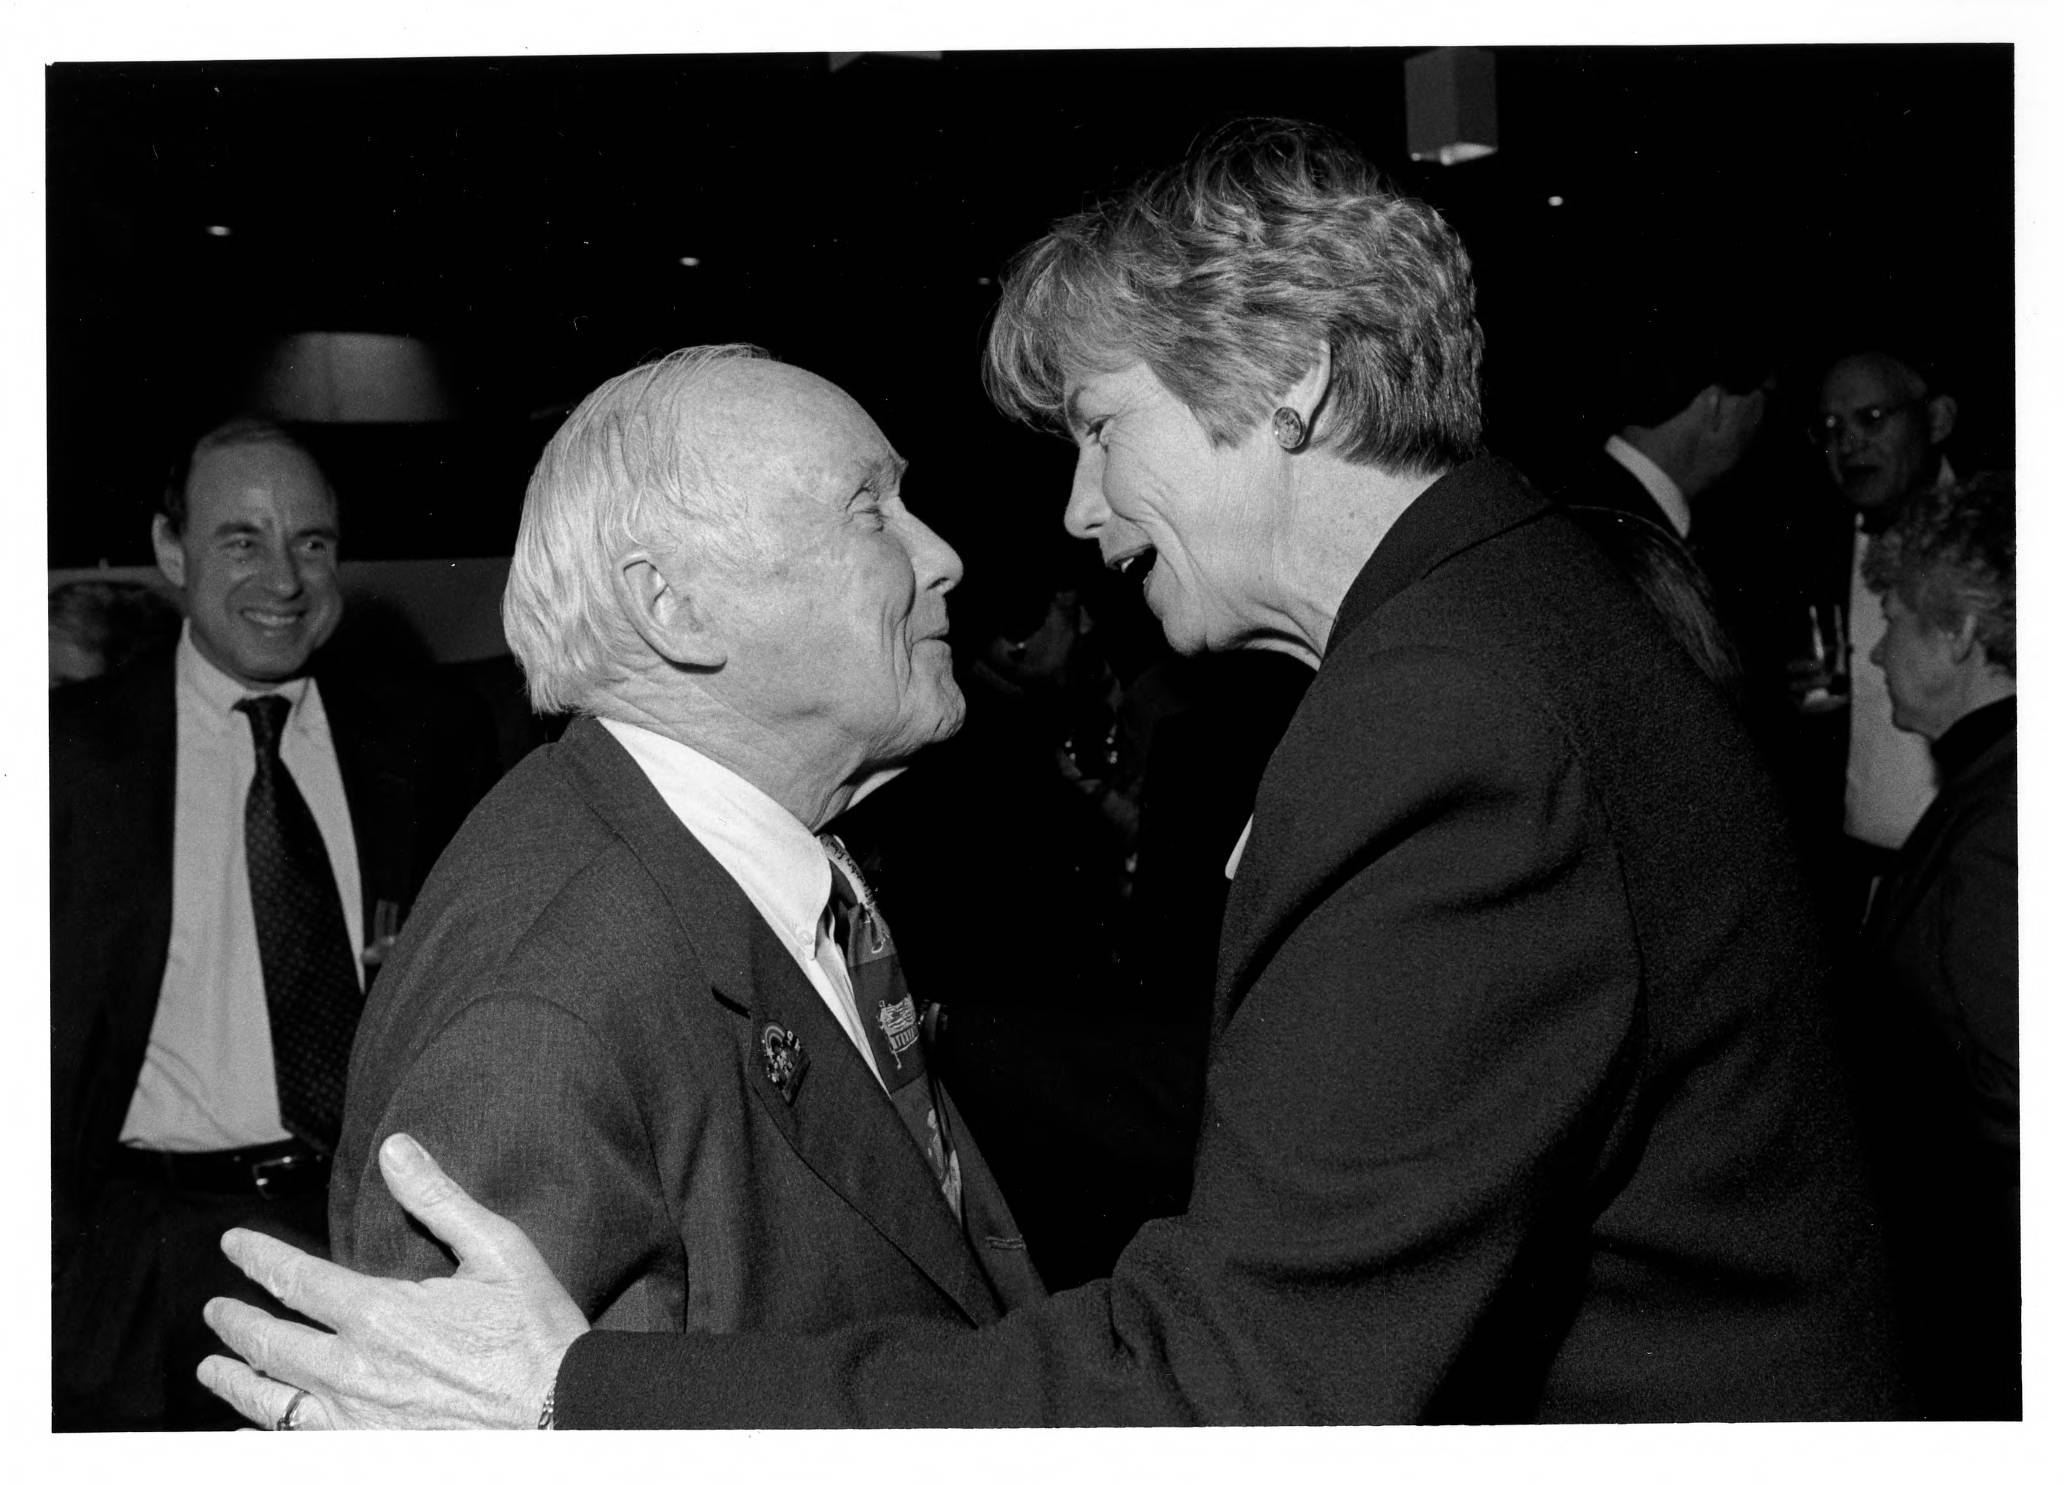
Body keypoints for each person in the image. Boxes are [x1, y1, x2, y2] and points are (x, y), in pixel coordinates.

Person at [200, 119, 1901, 1427]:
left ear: (1290, 385)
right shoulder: (1520, 618)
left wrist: (583, 1400)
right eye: (873, 510)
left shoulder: (1446, 714)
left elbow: (1238, 1382)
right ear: (676, 608)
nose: (1061, 519)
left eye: (1099, 427)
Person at [326, 346, 1044, 1360]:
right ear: (675, 607)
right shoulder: (543, 1010)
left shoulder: (709, 863)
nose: (941, 557)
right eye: (870, 511)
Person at [50, 417, 494, 1429]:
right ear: (172, 550)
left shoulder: (429, 738)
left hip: (369, 1238)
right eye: (242, 540)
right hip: (143, 1253)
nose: (284, 579)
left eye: (313, 542)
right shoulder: (65, 756)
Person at [1846, 470, 2017, 1418]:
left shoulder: (2000, 823)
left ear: (1959, 633)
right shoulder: (1992, 780)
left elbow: (2020, 1107)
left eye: (1898, 618)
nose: (1876, 649)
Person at [1806, 348, 1962, 915]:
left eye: (1871, 419)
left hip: (1968, 875)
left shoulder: (2007, 539)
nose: (1848, 444)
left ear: (1937, 420)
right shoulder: (1807, 545)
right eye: (1830, 428)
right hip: (1848, 888)